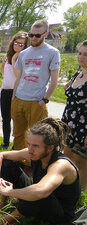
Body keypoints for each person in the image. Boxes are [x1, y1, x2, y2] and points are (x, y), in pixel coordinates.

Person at [0, 118, 81, 225]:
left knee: (38, 192)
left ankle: (4, 222)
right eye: (29, 144)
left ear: (50, 148)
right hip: (40, 198)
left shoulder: (60, 165)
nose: (30, 150)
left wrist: (8, 191)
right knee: (7, 163)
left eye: (35, 146)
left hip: (58, 216)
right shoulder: (34, 153)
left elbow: (41, 192)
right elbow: (2, 155)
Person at [12, 19, 61, 150]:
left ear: (46, 34)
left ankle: (35, 165)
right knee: (18, 134)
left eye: (37, 35)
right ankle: (18, 162)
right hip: (19, 99)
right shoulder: (23, 53)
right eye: (31, 34)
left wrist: (44, 99)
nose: (33, 38)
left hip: (37, 101)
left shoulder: (52, 53)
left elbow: (54, 80)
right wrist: (13, 97)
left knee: (38, 138)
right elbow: (19, 78)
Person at [62, 40, 87, 191]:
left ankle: (80, 195)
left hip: (83, 125)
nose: (81, 57)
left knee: (81, 163)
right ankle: (67, 190)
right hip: (68, 122)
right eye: (80, 53)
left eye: (86, 54)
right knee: (67, 158)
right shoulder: (79, 73)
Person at [0, 31, 29, 148]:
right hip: (5, 91)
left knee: (17, 120)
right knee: (5, 119)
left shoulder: (24, 58)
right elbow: (2, 67)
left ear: (26, 46)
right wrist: (5, 77)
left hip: (16, 92)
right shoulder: (7, 56)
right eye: (16, 42)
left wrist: (14, 60)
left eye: (21, 44)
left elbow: (18, 76)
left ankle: (17, 145)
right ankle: (5, 142)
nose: (17, 45)